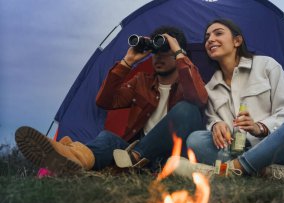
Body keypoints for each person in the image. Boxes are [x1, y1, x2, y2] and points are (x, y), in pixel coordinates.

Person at [15, 26, 208, 174]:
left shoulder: (190, 82)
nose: (158, 57)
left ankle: (130, 160)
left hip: (171, 157)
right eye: (155, 51)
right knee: (108, 138)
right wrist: (127, 61)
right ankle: (72, 158)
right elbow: (105, 101)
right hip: (136, 156)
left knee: (186, 109)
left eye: (165, 51)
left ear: (178, 53)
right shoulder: (142, 81)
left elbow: (198, 100)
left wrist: (178, 52)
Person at [174, 19, 284, 180]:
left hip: (277, 148)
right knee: (195, 140)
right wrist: (215, 125)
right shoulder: (211, 88)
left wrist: (260, 128)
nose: (210, 39)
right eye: (207, 37)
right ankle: (275, 173)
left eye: (218, 33)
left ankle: (232, 170)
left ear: (237, 41)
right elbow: (212, 122)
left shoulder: (267, 66)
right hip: (236, 150)